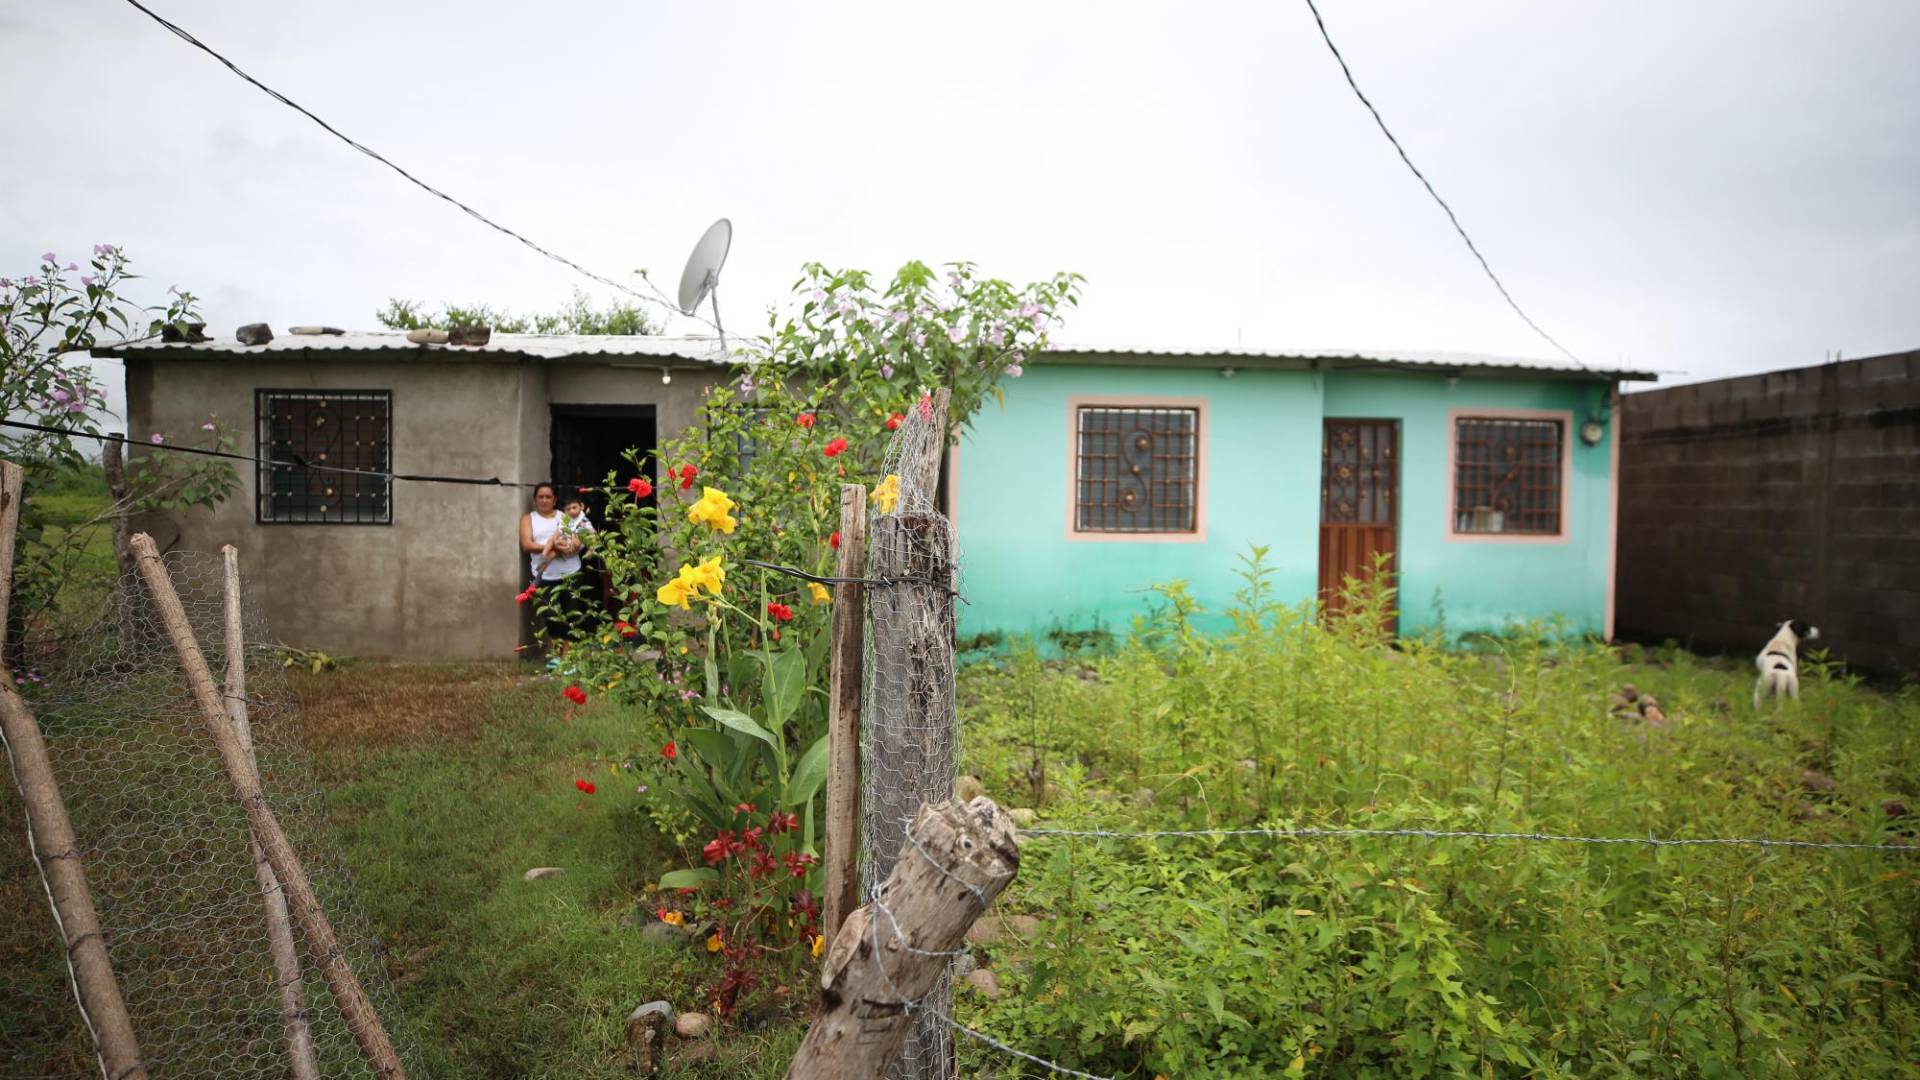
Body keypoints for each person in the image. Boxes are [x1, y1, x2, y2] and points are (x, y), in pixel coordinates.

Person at [519, 483, 591, 647]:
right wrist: (552, 546)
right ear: (534, 500)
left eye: (548, 497)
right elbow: (527, 545)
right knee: (551, 615)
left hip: (570, 572)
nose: (544, 500)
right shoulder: (529, 519)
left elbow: (578, 541)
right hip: (545, 575)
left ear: (555, 500)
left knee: (572, 613)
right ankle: (557, 653)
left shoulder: (564, 516)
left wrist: (567, 547)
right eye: (540, 497)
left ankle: (567, 655)